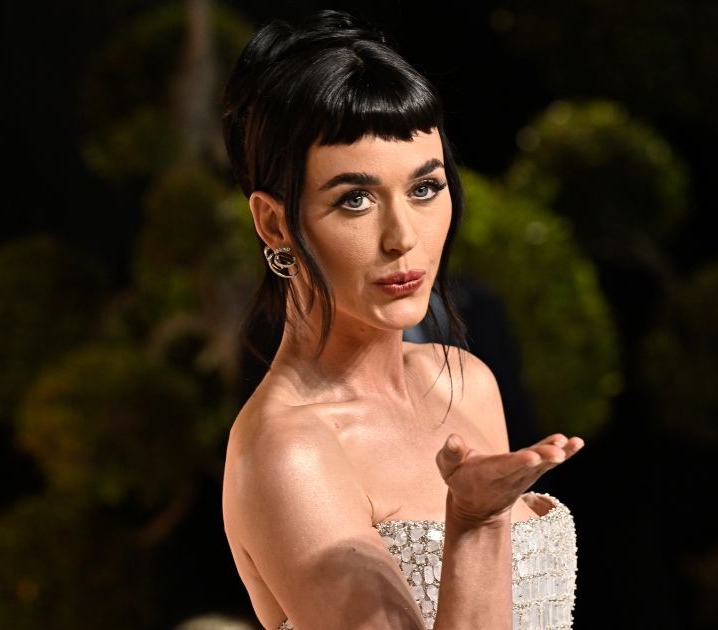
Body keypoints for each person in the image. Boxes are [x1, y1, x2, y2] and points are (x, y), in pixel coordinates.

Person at [220, 10, 584, 630]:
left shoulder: (463, 382)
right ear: (274, 223)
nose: (402, 237)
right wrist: (475, 524)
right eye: (354, 199)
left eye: (424, 189)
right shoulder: (291, 451)